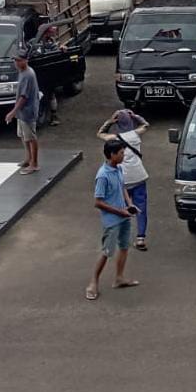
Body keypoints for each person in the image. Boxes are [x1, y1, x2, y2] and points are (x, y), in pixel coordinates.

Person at [85, 139, 139, 301]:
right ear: (112, 155)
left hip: (123, 217)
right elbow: (98, 202)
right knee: (107, 251)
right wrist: (120, 212)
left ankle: (119, 278)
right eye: (121, 153)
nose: (123, 155)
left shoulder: (118, 169)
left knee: (124, 246)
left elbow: (122, 187)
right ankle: (93, 282)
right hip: (112, 221)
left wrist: (130, 205)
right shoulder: (102, 176)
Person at [97, 110, 150, 250]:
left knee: (121, 207)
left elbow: (100, 133)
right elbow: (145, 124)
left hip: (123, 179)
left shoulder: (114, 138)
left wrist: (110, 121)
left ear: (118, 123)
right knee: (141, 207)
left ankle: (120, 235)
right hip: (138, 176)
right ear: (130, 122)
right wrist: (135, 116)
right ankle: (140, 238)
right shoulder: (136, 134)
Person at [5, 49, 39, 175]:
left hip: (27, 111)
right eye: (15, 60)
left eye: (19, 60)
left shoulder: (28, 75)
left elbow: (24, 97)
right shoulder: (22, 72)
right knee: (24, 136)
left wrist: (13, 112)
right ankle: (28, 158)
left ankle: (34, 163)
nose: (16, 63)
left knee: (30, 137)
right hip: (22, 112)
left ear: (26, 60)